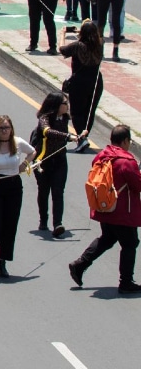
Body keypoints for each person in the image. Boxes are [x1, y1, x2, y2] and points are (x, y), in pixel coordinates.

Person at [69, 124, 141, 293]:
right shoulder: (126, 161)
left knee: (107, 238)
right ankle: (126, 282)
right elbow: (137, 186)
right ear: (124, 141)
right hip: (123, 211)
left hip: (105, 207)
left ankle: (80, 265)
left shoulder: (102, 156)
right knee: (130, 243)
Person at [0, 114, 36, 279]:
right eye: (1, 128)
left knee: (10, 224)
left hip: (13, 187)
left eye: (7, 128)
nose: (4, 131)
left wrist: (24, 164)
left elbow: (32, 152)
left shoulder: (17, 143)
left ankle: (3, 261)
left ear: (11, 129)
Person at [34, 92, 77, 236]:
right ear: (56, 105)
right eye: (65, 103)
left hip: (59, 160)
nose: (67, 106)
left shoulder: (65, 119)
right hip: (43, 161)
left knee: (58, 191)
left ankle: (58, 223)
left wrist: (79, 136)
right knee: (44, 190)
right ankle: (43, 220)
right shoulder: (44, 118)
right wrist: (67, 136)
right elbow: (47, 131)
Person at [60, 20, 105, 152]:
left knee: (77, 112)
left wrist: (63, 33)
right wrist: (82, 31)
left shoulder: (78, 46)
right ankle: (85, 136)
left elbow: (62, 49)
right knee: (89, 112)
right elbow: (94, 36)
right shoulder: (100, 44)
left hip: (79, 83)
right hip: (96, 82)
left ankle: (81, 138)